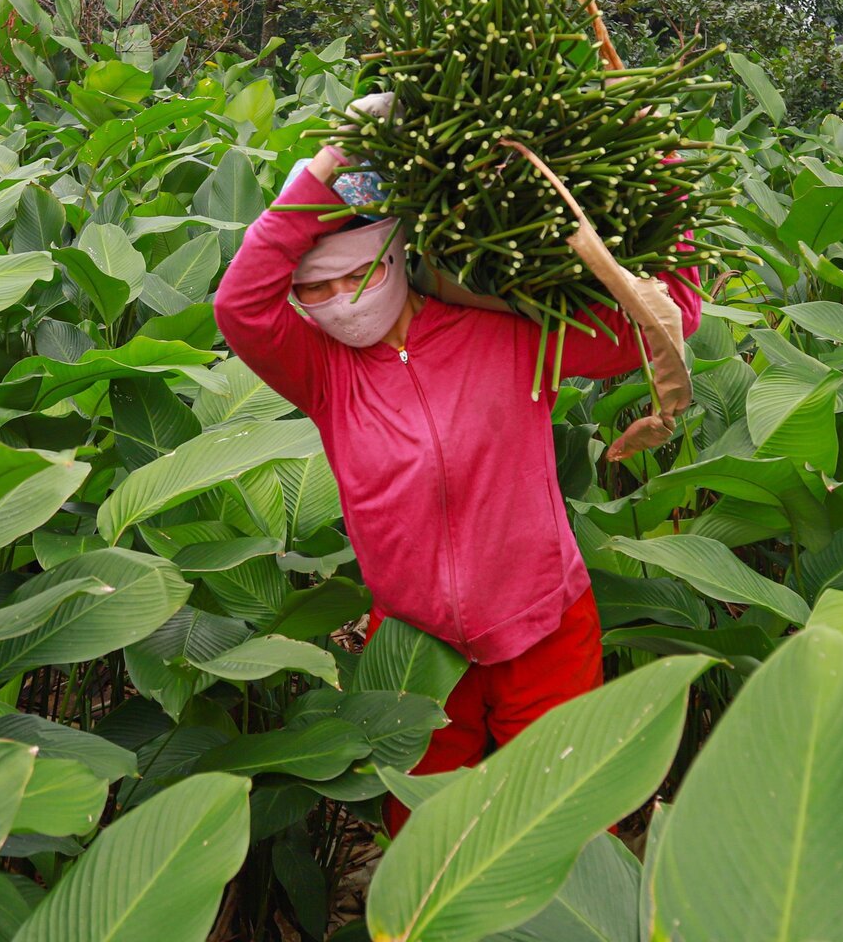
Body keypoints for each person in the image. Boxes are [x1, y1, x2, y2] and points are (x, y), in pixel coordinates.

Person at [211, 107, 702, 836]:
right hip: (413, 644)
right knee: (425, 843)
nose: (324, 305)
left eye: (343, 279)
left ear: (391, 257)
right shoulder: (324, 372)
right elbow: (239, 304)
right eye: (308, 290)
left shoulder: (504, 334)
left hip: (543, 623)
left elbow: (667, 323)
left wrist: (663, 180)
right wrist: (324, 170)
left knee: (567, 829)